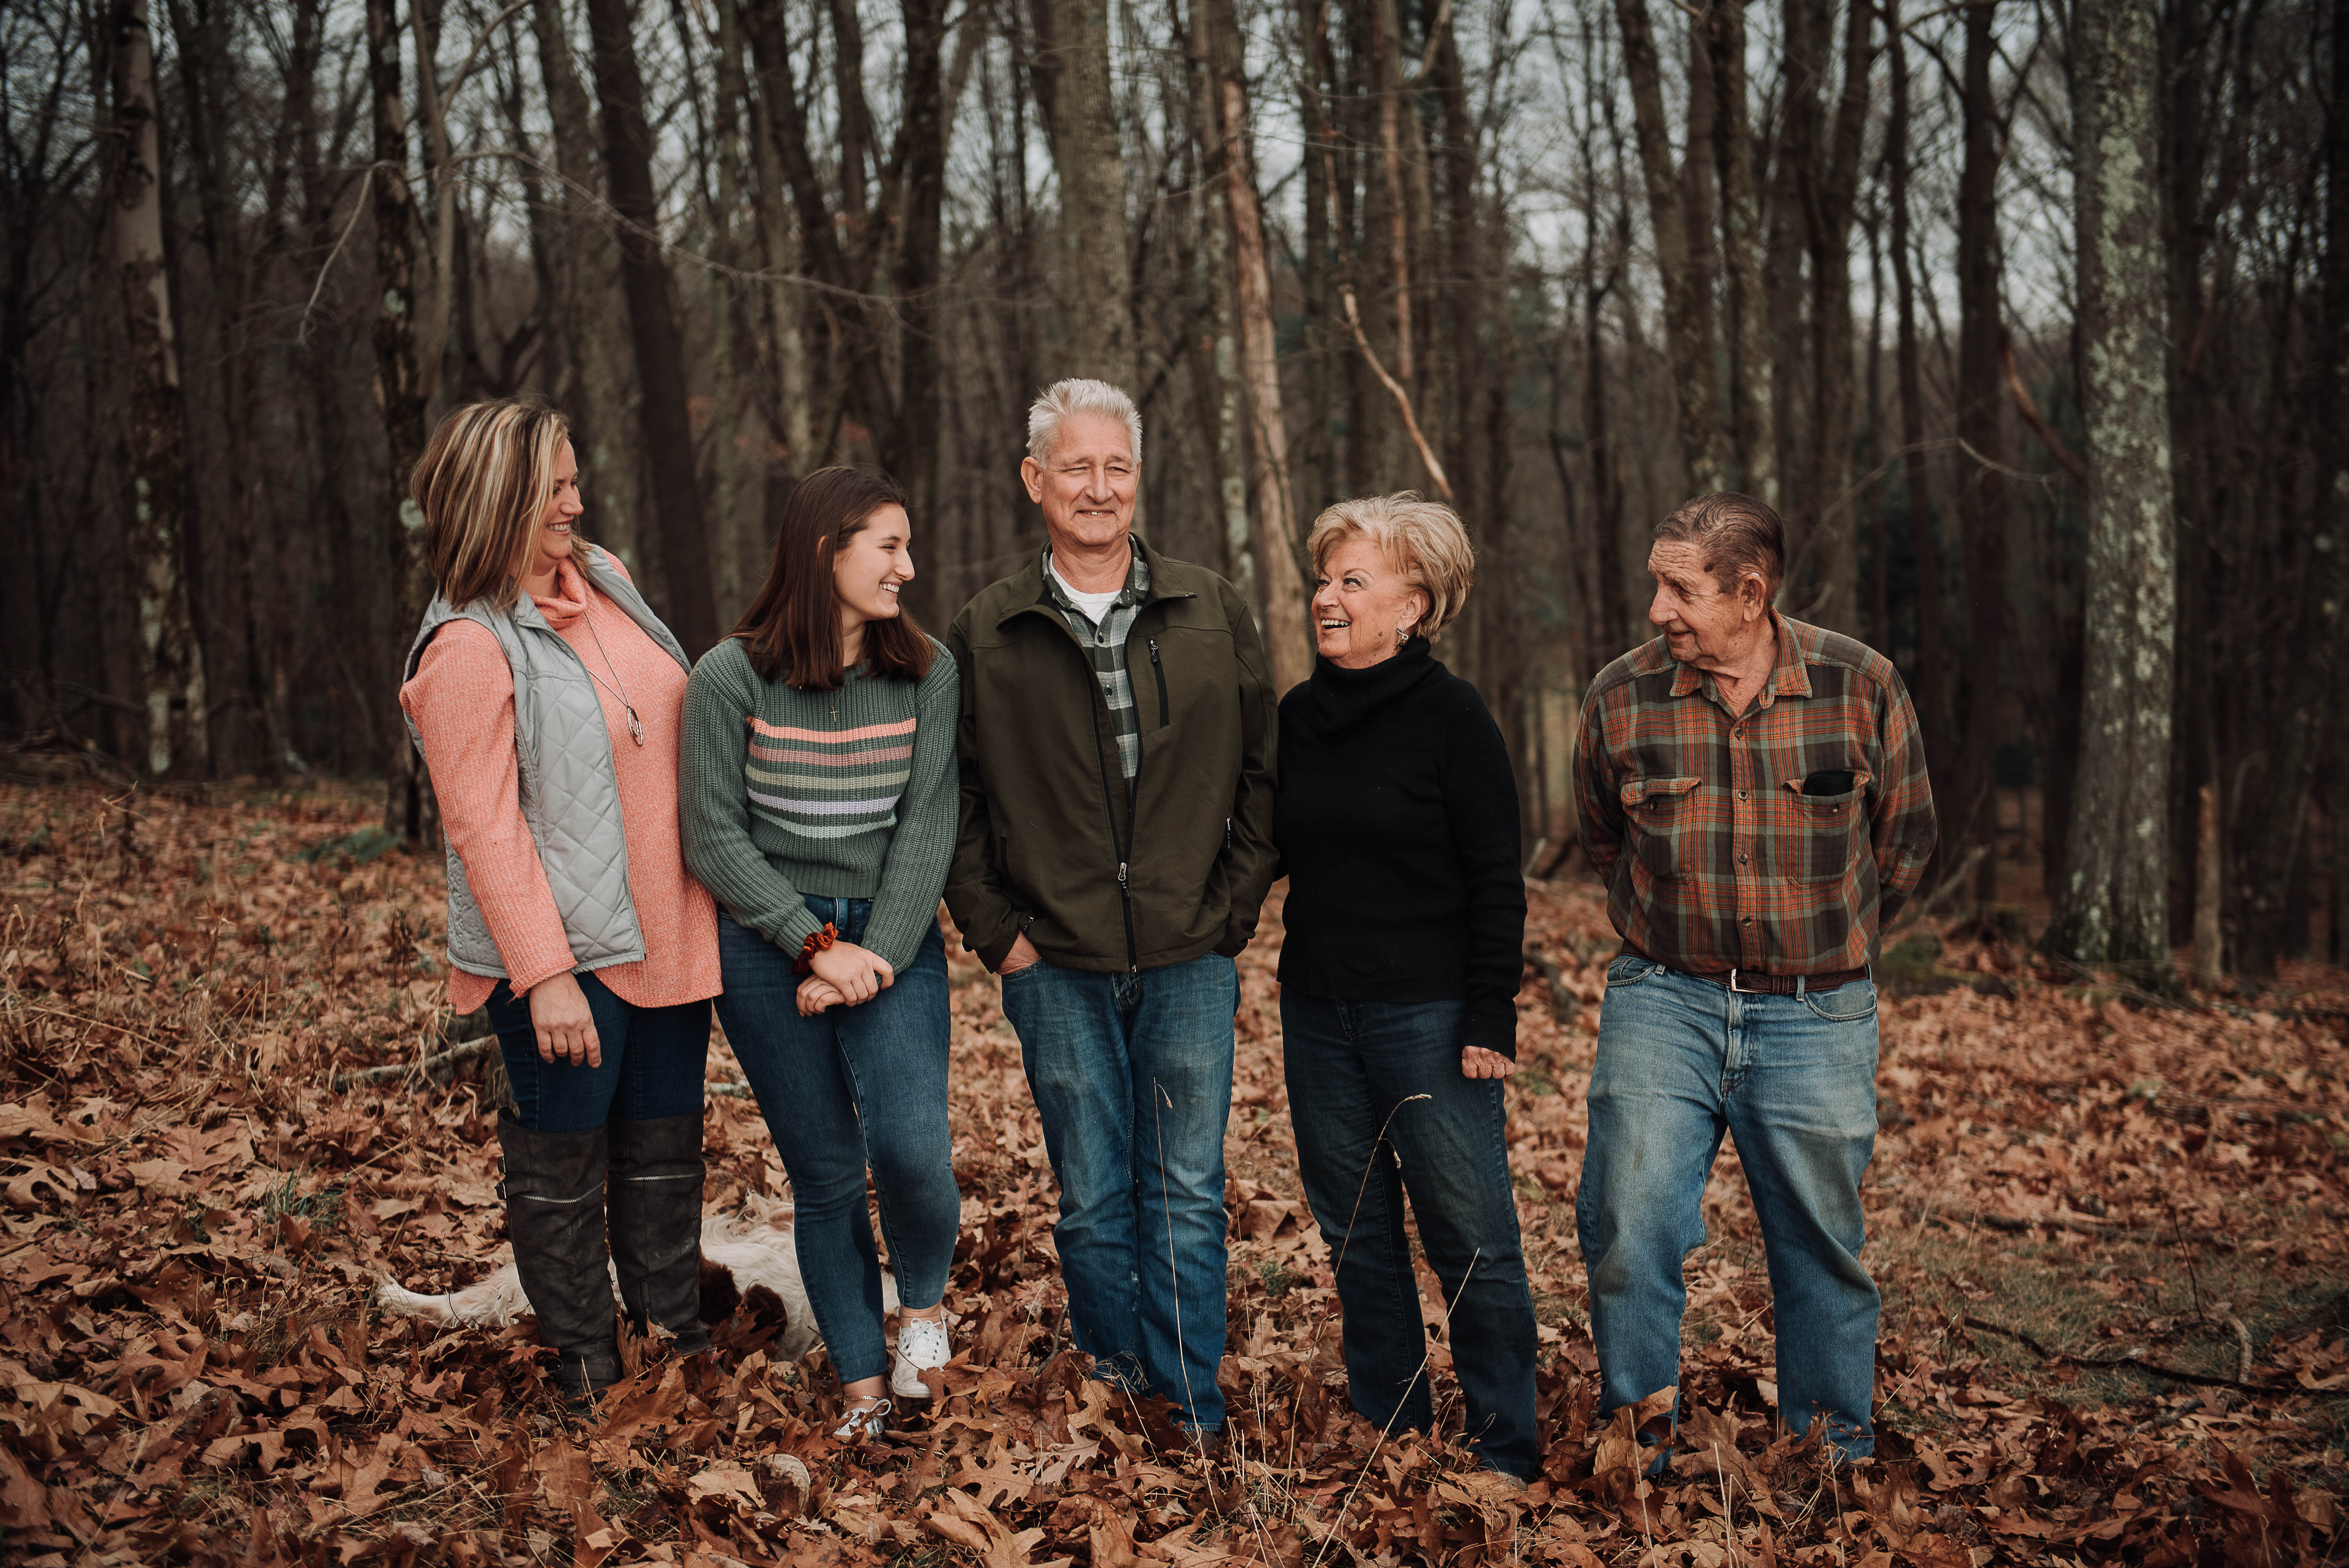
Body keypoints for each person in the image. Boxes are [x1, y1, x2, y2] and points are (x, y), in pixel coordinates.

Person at [944, 379, 1280, 1441]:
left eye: (1118, 467)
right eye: (1077, 467)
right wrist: (1001, 937)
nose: (1100, 488)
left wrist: (1229, 911)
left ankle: (1191, 1403)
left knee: (1183, 1189)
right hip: (1056, 964)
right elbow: (953, 798)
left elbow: (1266, 775)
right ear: (1036, 481)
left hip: (1190, 954)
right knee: (1091, 1195)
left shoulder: (1210, 606)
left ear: (1141, 480)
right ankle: (1116, 1387)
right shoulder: (989, 627)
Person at [1571, 492, 1937, 1461]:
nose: (1656, 609)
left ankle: (1828, 1459)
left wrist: (1821, 945)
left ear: (1749, 592)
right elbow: (1601, 838)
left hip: (1817, 1011)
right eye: (1656, 583)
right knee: (1627, 1219)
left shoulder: (1860, 686)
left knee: (1819, 1245)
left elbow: (1903, 847)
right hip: (1663, 996)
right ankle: (1638, 1445)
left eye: (1678, 589)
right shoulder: (1620, 696)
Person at [398, 398, 720, 1403]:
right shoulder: (464, 647)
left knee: (665, 1155)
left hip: (666, 933)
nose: (578, 503)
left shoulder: (607, 580)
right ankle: (584, 1371)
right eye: (556, 489)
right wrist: (544, 976)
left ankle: (672, 1343)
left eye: (577, 481)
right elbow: (486, 830)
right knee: (564, 1170)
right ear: (498, 500)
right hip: (567, 963)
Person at [679, 468, 961, 1442]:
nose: (907, 567)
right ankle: (861, 1385)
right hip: (768, 946)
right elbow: (713, 836)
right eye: (888, 546)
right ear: (822, 550)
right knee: (828, 1174)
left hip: (893, 935)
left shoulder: (928, 670)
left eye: (907, 546)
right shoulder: (728, 677)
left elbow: (928, 826)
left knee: (913, 1150)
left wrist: (868, 956)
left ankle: (922, 1307)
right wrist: (809, 944)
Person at [1273, 494, 1539, 1485]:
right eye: (1324, 580)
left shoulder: (1452, 717)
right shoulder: (1299, 716)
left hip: (1429, 1017)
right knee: (1354, 1232)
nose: (1325, 599)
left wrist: (1488, 1013)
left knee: (1468, 1230)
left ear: (1412, 606)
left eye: (1352, 582)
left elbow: (1494, 877)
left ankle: (1506, 1440)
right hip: (1317, 1011)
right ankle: (1393, 1427)